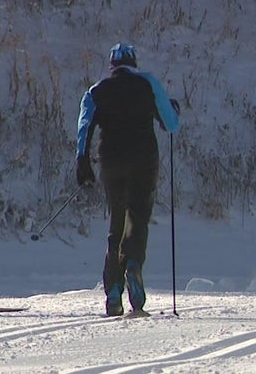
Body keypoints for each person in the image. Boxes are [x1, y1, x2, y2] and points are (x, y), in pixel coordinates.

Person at [76, 43, 180, 317]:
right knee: (139, 218)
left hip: (112, 161)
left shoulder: (96, 91)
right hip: (143, 160)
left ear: (112, 65)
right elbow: (171, 124)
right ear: (134, 62)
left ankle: (113, 290)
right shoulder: (147, 83)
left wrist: (82, 161)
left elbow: (85, 125)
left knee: (117, 224)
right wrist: (172, 109)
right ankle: (133, 265)